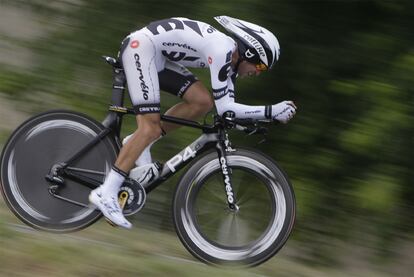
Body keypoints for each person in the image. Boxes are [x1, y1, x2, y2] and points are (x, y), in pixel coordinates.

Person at [89, 15, 297, 228]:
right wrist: (271, 111)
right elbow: (226, 109)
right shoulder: (221, 50)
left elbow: (226, 109)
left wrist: (257, 117)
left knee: (202, 102)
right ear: (250, 53)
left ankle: (140, 142)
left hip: (156, 56)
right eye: (260, 67)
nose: (257, 73)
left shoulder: (229, 60)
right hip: (141, 49)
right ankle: (106, 192)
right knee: (149, 127)